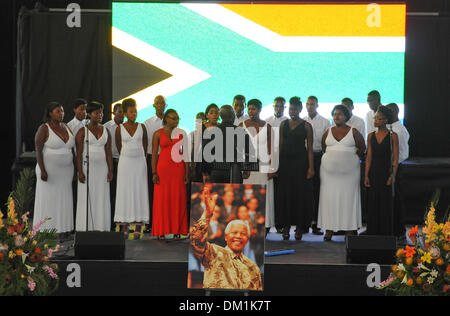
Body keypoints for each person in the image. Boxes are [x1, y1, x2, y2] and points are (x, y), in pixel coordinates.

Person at [190, 185, 263, 290]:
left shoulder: (253, 267)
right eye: (234, 232)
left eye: (243, 233)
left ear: (247, 239)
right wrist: (207, 214)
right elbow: (196, 241)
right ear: (226, 237)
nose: (238, 236)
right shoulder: (213, 253)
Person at [318, 105, 366, 241]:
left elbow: (362, 148)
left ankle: (350, 230)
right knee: (329, 200)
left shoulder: (354, 131)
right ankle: (329, 229)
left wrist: (348, 159)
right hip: (329, 176)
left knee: (348, 200)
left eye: (339, 114)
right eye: (334, 114)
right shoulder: (328, 131)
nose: (336, 117)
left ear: (346, 116)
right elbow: (324, 147)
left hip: (349, 175)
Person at [33, 102, 75, 236]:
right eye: (58, 111)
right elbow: (38, 151)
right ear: (50, 113)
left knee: (64, 199)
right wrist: (43, 170)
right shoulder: (44, 128)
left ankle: (64, 228)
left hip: (66, 171)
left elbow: (72, 149)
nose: (61, 114)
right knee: (49, 200)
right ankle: (46, 229)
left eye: (62, 111)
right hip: (49, 171)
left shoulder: (66, 126)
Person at [277, 97, 314, 240]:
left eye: (295, 109)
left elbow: (310, 148)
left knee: (300, 196)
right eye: (290, 109)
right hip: (285, 164)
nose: (292, 111)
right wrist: (277, 165)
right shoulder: (283, 124)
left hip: (301, 164)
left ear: (300, 109)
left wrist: (311, 168)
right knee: (285, 195)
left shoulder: (306, 126)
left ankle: (299, 228)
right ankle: (285, 227)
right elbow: (280, 145)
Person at [114, 98, 149, 239]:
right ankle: (124, 226)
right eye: (131, 112)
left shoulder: (142, 127)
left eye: (135, 111)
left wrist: (138, 156)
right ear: (125, 113)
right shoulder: (119, 128)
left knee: (139, 191)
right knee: (125, 192)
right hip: (125, 163)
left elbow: (145, 145)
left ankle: (139, 226)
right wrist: (128, 155)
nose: (134, 114)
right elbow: (118, 146)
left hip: (139, 162)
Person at [152, 109, 189, 240]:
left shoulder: (182, 134)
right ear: (166, 119)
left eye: (177, 118)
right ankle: (161, 231)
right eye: (173, 118)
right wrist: (154, 172)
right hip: (163, 170)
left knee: (177, 199)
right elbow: (154, 155)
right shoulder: (157, 134)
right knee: (162, 200)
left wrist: (187, 172)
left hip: (178, 170)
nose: (176, 121)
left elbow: (185, 154)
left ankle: (176, 231)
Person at [75, 101, 112, 232]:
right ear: (90, 114)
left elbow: (108, 152)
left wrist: (110, 170)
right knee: (87, 197)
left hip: (102, 169)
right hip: (87, 169)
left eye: (101, 112)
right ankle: (85, 228)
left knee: (101, 197)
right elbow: (78, 154)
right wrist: (79, 171)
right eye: (97, 113)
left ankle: (101, 227)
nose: (100, 115)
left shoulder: (106, 130)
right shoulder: (82, 131)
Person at [240, 99, 275, 237]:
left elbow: (272, 148)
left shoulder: (267, 126)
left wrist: (272, 168)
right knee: (248, 196)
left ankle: (264, 226)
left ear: (260, 110)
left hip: (263, 165)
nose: (251, 111)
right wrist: (243, 167)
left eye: (254, 109)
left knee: (263, 195)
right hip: (247, 167)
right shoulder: (241, 125)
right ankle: (247, 225)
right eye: (249, 109)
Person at [365, 106, 399, 235]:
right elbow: (369, 157)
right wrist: (366, 175)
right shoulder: (370, 136)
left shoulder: (393, 136)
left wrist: (392, 175)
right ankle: (373, 231)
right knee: (373, 203)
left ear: (385, 120)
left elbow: (395, 159)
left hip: (386, 172)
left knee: (385, 204)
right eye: (375, 118)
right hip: (374, 173)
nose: (376, 121)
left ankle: (385, 233)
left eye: (379, 119)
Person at [303, 96, 330, 235]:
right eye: (307, 104)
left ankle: (316, 223)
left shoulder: (325, 121)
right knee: (304, 191)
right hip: (303, 158)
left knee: (317, 191)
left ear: (317, 105)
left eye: (312, 104)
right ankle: (304, 223)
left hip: (319, 157)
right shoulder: (301, 120)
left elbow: (327, 143)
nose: (309, 107)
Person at [204, 105, 250, 183]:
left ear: (221, 116)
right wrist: (247, 169)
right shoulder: (241, 132)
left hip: (216, 171)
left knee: (216, 194)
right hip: (234, 171)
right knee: (234, 194)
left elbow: (205, 154)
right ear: (233, 116)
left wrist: (206, 172)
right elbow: (248, 152)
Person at [386, 103, 409, 239]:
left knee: (397, 200)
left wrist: (393, 167)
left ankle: (399, 231)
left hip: (397, 167)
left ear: (395, 112)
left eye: (389, 111)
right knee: (390, 200)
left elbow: (402, 153)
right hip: (389, 167)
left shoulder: (399, 130)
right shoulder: (390, 128)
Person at [144, 95, 166, 233]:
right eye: (157, 103)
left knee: (164, 191)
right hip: (152, 157)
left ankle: (163, 222)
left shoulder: (171, 121)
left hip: (166, 159)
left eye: (162, 103)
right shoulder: (148, 122)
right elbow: (145, 143)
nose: (160, 105)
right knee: (151, 191)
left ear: (165, 105)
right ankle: (151, 222)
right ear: (153, 105)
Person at [104, 102, 124, 230]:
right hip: (110, 162)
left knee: (121, 193)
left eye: (124, 112)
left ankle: (121, 221)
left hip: (123, 161)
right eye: (120, 112)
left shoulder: (127, 127)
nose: (122, 115)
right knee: (111, 193)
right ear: (113, 113)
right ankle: (111, 222)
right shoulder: (106, 126)